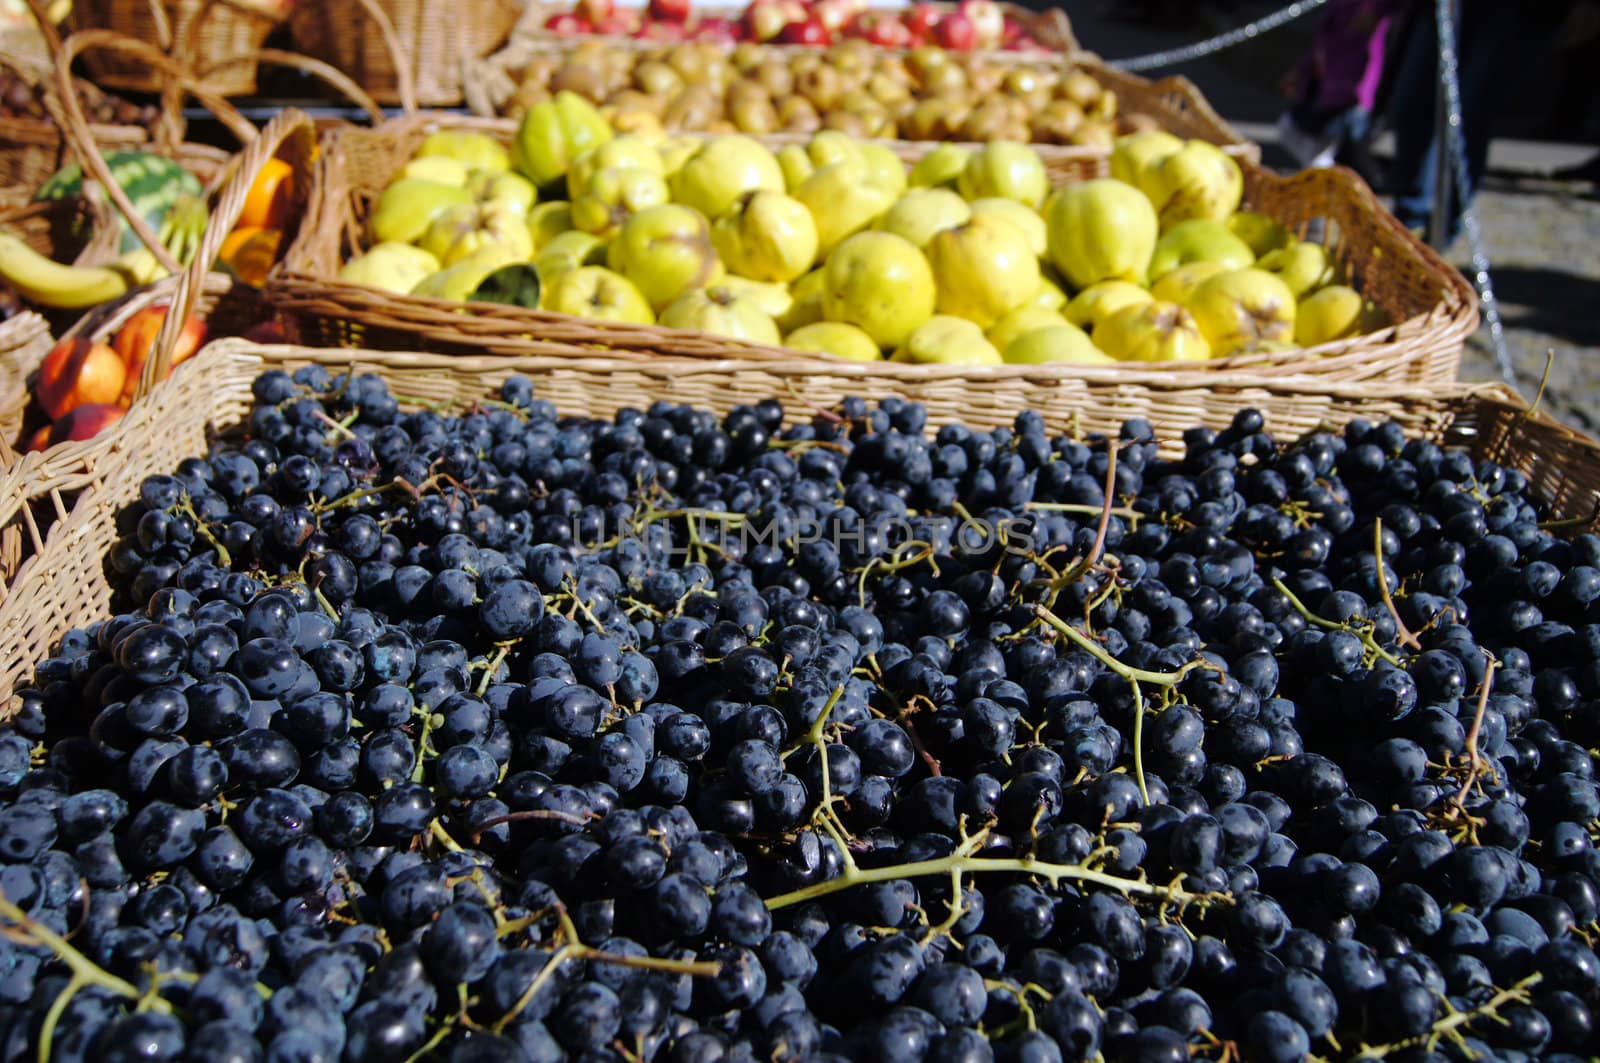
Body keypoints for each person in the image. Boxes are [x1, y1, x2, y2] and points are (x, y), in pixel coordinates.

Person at [1384, 1, 1591, 244]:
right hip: (1443, 7)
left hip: (1512, 10)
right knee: (1412, 107)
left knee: (1469, 118)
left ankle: (1440, 235)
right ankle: (1409, 224)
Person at [1275, 0, 1408, 171]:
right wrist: (1301, 71)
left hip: (1352, 96)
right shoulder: (1337, 9)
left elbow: (1372, 56)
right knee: (1292, 129)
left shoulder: (1371, 12)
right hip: (1328, 90)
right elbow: (1321, 45)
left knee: (1347, 154)